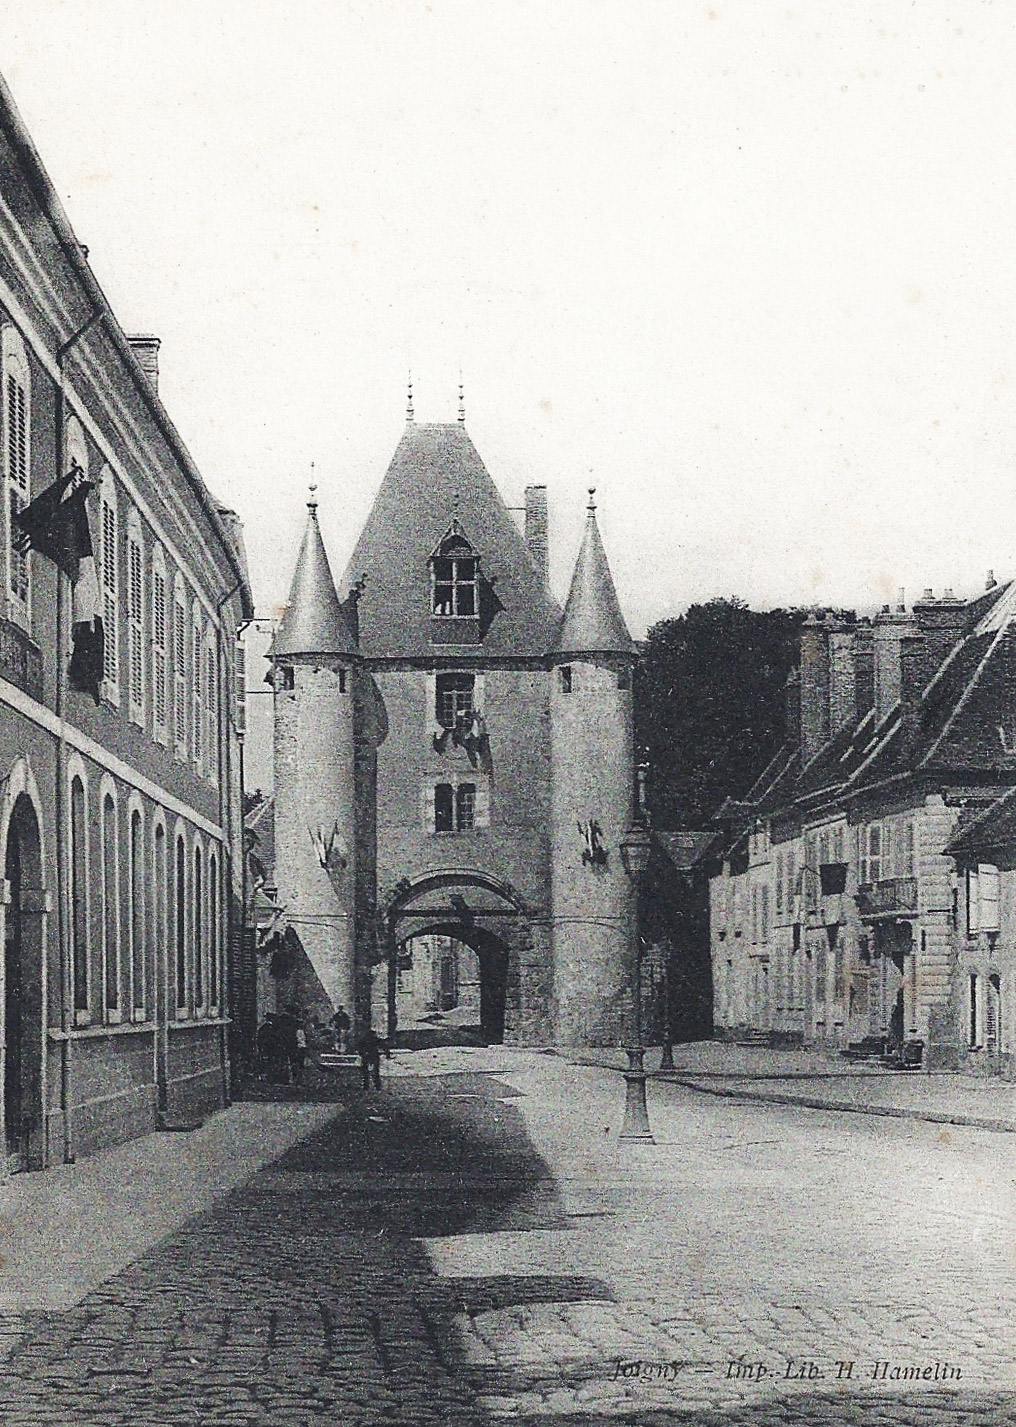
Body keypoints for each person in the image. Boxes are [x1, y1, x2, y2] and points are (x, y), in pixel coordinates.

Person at [357, 1025, 388, 1091]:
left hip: (366, 1055)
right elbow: (383, 1046)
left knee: (365, 1072)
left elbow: (359, 1047)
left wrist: (361, 1053)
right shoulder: (375, 1039)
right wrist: (387, 1053)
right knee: (375, 1071)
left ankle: (366, 1085)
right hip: (373, 1055)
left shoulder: (363, 1039)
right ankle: (377, 1086)